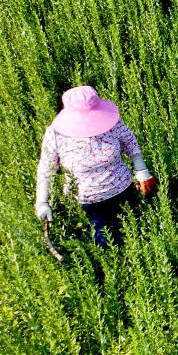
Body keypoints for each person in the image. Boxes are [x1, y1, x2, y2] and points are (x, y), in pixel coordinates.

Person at [35, 86, 158, 247]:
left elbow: (130, 143)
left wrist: (142, 171)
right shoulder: (56, 134)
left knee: (136, 233)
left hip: (123, 191)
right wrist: (42, 203)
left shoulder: (111, 122)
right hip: (88, 202)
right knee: (105, 241)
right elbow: (46, 169)